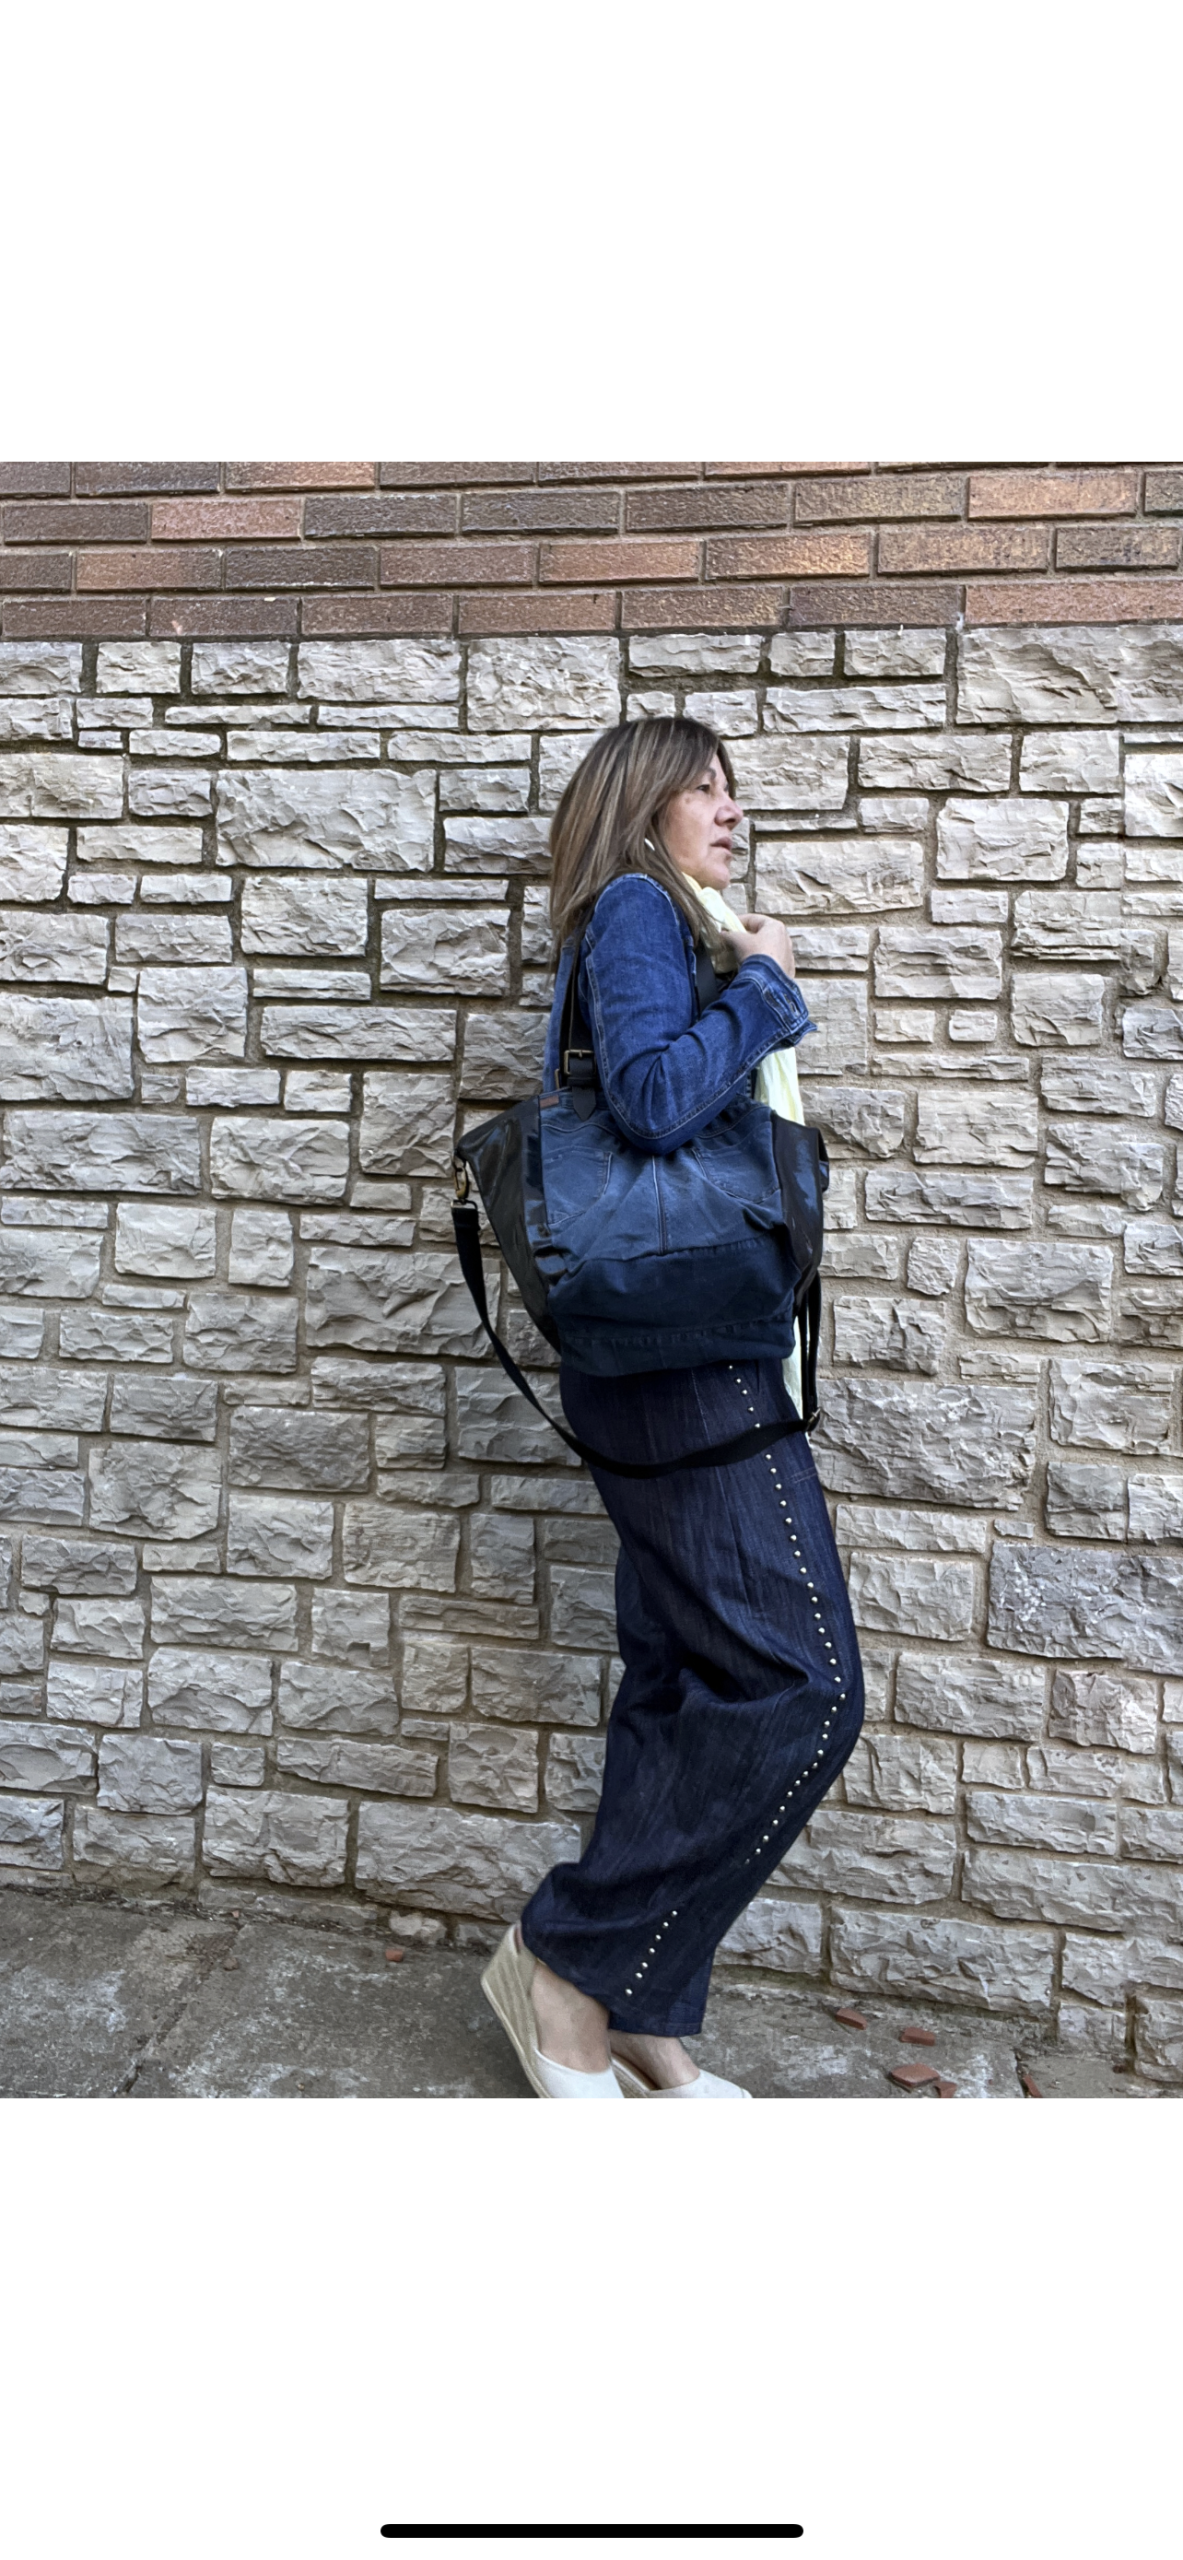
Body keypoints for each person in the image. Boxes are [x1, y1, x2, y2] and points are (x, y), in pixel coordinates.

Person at [481, 717, 865, 2098]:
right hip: (683, 1363)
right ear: (642, 806)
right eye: (704, 786)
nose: (730, 807)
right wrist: (764, 988)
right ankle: (569, 1965)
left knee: (682, 1679)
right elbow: (647, 1100)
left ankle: (634, 2004)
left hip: (664, 1357)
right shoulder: (641, 907)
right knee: (804, 1686)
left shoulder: (657, 917)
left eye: (731, 788)